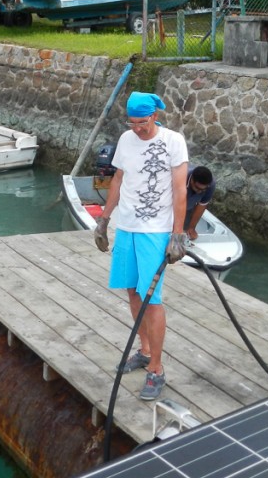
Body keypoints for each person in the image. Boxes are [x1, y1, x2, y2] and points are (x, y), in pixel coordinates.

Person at [93, 91, 189, 402]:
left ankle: (157, 370)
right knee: (133, 291)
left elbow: (179, 190)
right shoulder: (126, 139)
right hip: (128, 226)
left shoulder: (173, 142)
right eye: (131, 123)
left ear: (155, 116)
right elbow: (118, 179)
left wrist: (177, 234)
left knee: (153, 298)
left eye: (142, 123)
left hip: (155, 231)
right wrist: (105, 219)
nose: (137, 128)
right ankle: (145, 351)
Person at [184, 165, 215, 241]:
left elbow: (202, 205)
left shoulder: (211, 184)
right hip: (171, 203)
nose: (200, 191)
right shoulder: (182, 177)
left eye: (204, 189)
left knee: (185, 230)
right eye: (198, 188)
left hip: (189, 206)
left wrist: (191, 228)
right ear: (192, 180)